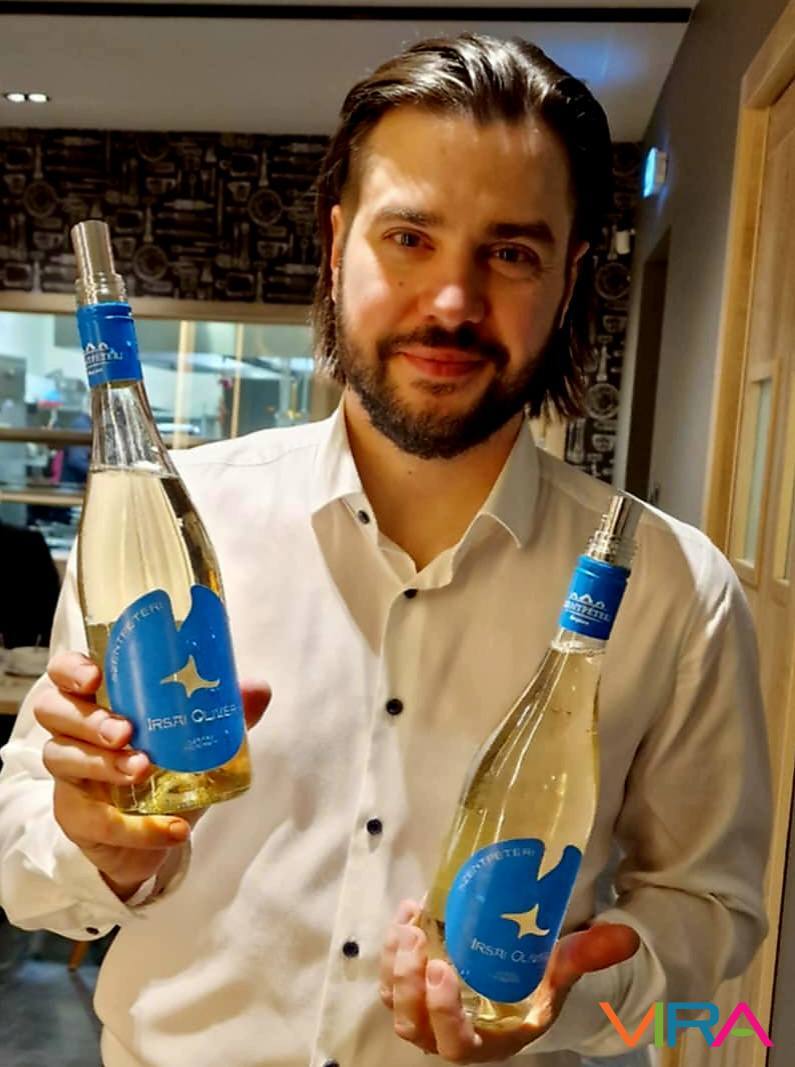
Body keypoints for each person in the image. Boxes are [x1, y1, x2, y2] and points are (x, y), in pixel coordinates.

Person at [0, 34, 771, 1067]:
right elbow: (24, 872)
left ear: (571, 276)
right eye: (410, 237)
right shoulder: (175, 524)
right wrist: (96, 844)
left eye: (510, 252)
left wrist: (575, 992)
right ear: (337, 244)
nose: (451, 302)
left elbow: (712, 910)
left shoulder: (677, 592)